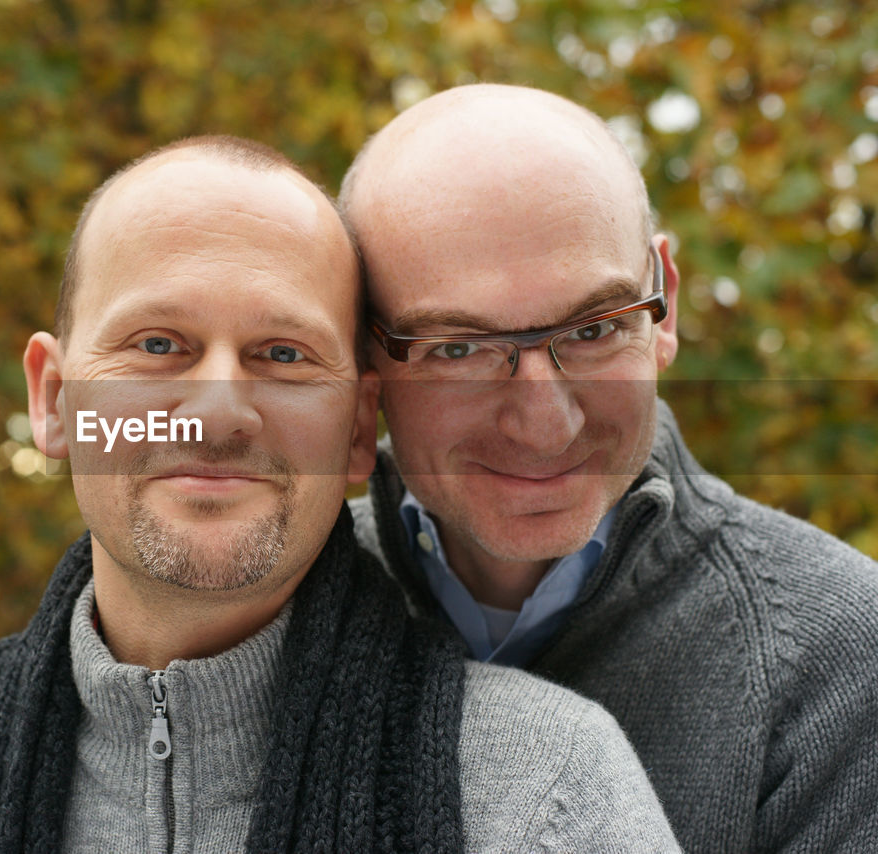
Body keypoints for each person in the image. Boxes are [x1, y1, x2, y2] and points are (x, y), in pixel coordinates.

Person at [0, 135, 680, 853]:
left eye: (283, 356)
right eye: (157, 347)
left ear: (357, 428)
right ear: (53, 402)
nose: (219, 415)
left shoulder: (540, 793)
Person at [341, 83, 878, 852]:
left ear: (667, 305)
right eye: (458, 349)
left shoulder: (841, 662)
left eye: (595, 330)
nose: (545, 421)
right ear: (365, 357)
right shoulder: (275, 617)